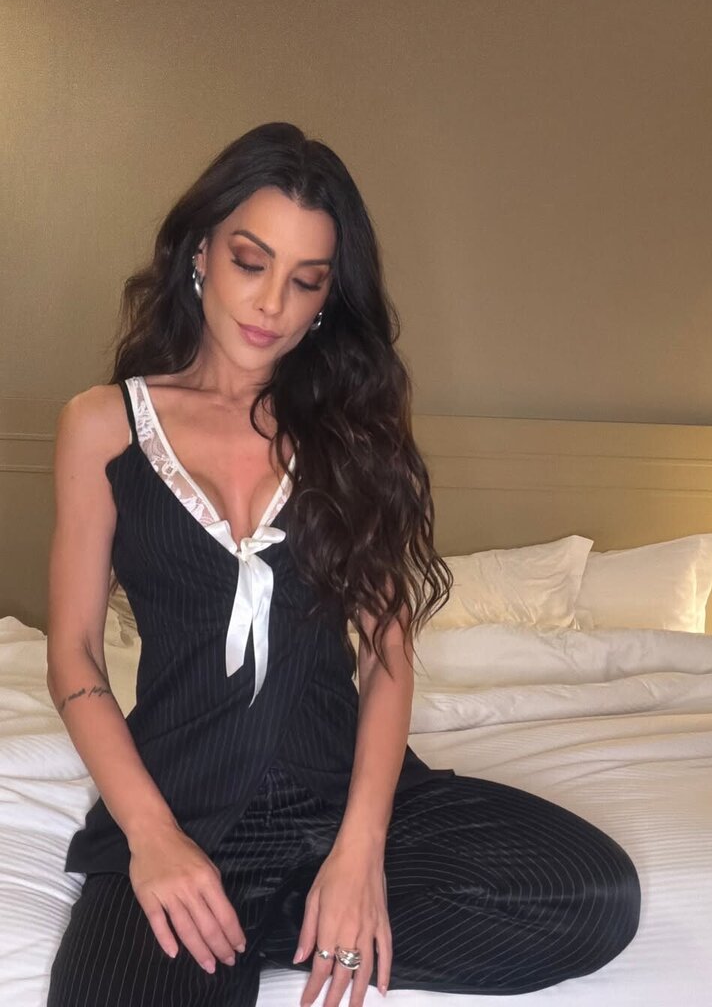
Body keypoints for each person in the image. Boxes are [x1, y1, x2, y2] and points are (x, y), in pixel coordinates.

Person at [46, 122, 640, 1007]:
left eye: (306, 280)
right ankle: (247, 921)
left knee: (590, 895)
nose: (271, 304)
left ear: (328, 297)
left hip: (343, 792)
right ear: (201, 252)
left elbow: (387, 650)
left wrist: (359, 854)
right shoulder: (104, 425)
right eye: (251, 262)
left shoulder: (349, 428)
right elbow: (74, 656)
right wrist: (150, 835)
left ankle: (293, 920)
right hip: (183, 804)